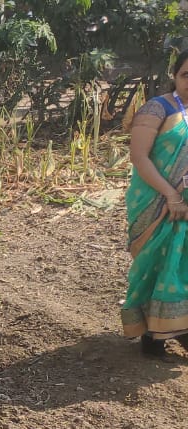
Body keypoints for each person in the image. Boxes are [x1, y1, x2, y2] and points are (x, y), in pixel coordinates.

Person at [123, 53, 188, 357]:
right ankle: (153, 334)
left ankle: (178, 326)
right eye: (186, 75)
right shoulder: (158, 108)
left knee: (183, 265)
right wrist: (172, 195)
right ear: (174, 76)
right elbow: (139, 157)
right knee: (159, 263)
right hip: (157, 201)